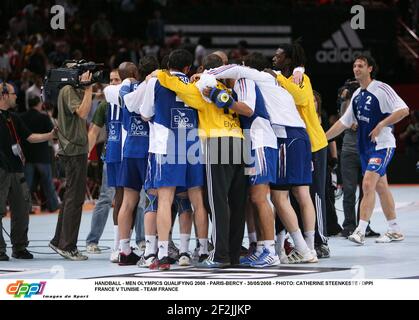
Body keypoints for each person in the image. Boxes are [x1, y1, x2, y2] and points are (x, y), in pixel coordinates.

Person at [205, 53, 318, 264]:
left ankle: (274, 250)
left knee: (265, 197)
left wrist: (211, 86)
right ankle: (274, 247)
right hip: (266, 139)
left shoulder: (247, 79)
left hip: (265, 141)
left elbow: (247, 109)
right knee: (268, 196)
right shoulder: (270, 80)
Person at [326, 54, 409, 245]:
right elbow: (343, 123)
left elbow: (403, 110)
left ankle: (360, 231)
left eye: (361, 65)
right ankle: (395, 229)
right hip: (365, 149)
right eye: (354, 66)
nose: (356, 69)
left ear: (370, 68)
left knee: (367, 184)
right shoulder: (357, 95)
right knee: (381, 188)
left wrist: (382, 124)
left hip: (382, 145)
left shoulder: (381, 88)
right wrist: (322, 138)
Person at [141, 49, 208, 270]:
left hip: (166, 145)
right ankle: (197, 250)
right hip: (192, 145)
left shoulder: (156, 81)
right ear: (188, 68)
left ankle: (162, 253)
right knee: (195, 200)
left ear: (168, 64)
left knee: (165, 200)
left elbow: (145, 113)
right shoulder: (195, 85)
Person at [272, 43, 330, 258]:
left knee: (313, 194)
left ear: (288, 59)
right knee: (294, 195)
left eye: (278, 56)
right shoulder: (285, 78)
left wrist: (280, 77)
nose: (274, 58)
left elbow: (300, 98)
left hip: (313, 143)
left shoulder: (301, 79)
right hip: (294, 143)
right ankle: (297, 243)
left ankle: (319, 241)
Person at [0, 82, 55, 261]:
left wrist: (50, 135)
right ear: (3, 95)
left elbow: (29, 137)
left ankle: (19, 246)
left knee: (22, 208)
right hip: (1, 169)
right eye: (13, 93)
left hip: (16, 168)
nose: (16, 96)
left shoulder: (14, 118)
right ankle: (0, 249)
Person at [49, 68, 94, 260]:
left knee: (70, 199)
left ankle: (59, 240)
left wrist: (87, 89)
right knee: (74, 201)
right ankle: (67, 246)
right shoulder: (67, 90)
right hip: (73, 151)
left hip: (75, 150)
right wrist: (89, 88)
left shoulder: (70, 90)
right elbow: (83, 112)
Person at [85, 69, 121, 257]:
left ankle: (140, 241)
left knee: (139, 200)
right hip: (111, 156)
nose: (113, 83)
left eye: (117, 79)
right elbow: (93, 132)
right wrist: (86, 155)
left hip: (134, 157)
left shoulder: (135, 100)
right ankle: (92, 240)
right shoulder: (104, 106)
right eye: (111, 79)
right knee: (106, 198)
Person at [337, 81, 380, 238]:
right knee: (349, 190)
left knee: (366, 190)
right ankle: (349, 225)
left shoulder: (372, 104)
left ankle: (364, 225)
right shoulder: (346, 105)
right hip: (349, 152)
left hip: (367, 151)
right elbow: (349, 123)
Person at [21, 96, 59, 213]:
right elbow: (54, 135)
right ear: (39, 104)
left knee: (27, 185)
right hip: (42, 155)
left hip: (28, 156)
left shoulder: (22, 117)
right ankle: (53, 206)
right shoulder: (44, 117)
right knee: (48, 183)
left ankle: (25, 208)